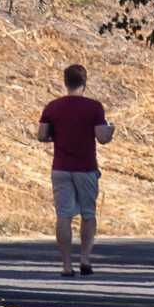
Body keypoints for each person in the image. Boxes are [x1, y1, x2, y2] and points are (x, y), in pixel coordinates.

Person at [36, 63, 114, 275]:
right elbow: (102, 137)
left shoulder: (52, 107)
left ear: (65, 81)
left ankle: (66, 265)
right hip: (86, 167)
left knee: (63, 215)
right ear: (85, 82)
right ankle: (85, 259)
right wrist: (111, 131)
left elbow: (42, 134)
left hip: (61, 167)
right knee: (88, 214)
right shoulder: (94, 107)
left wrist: (57, 136)